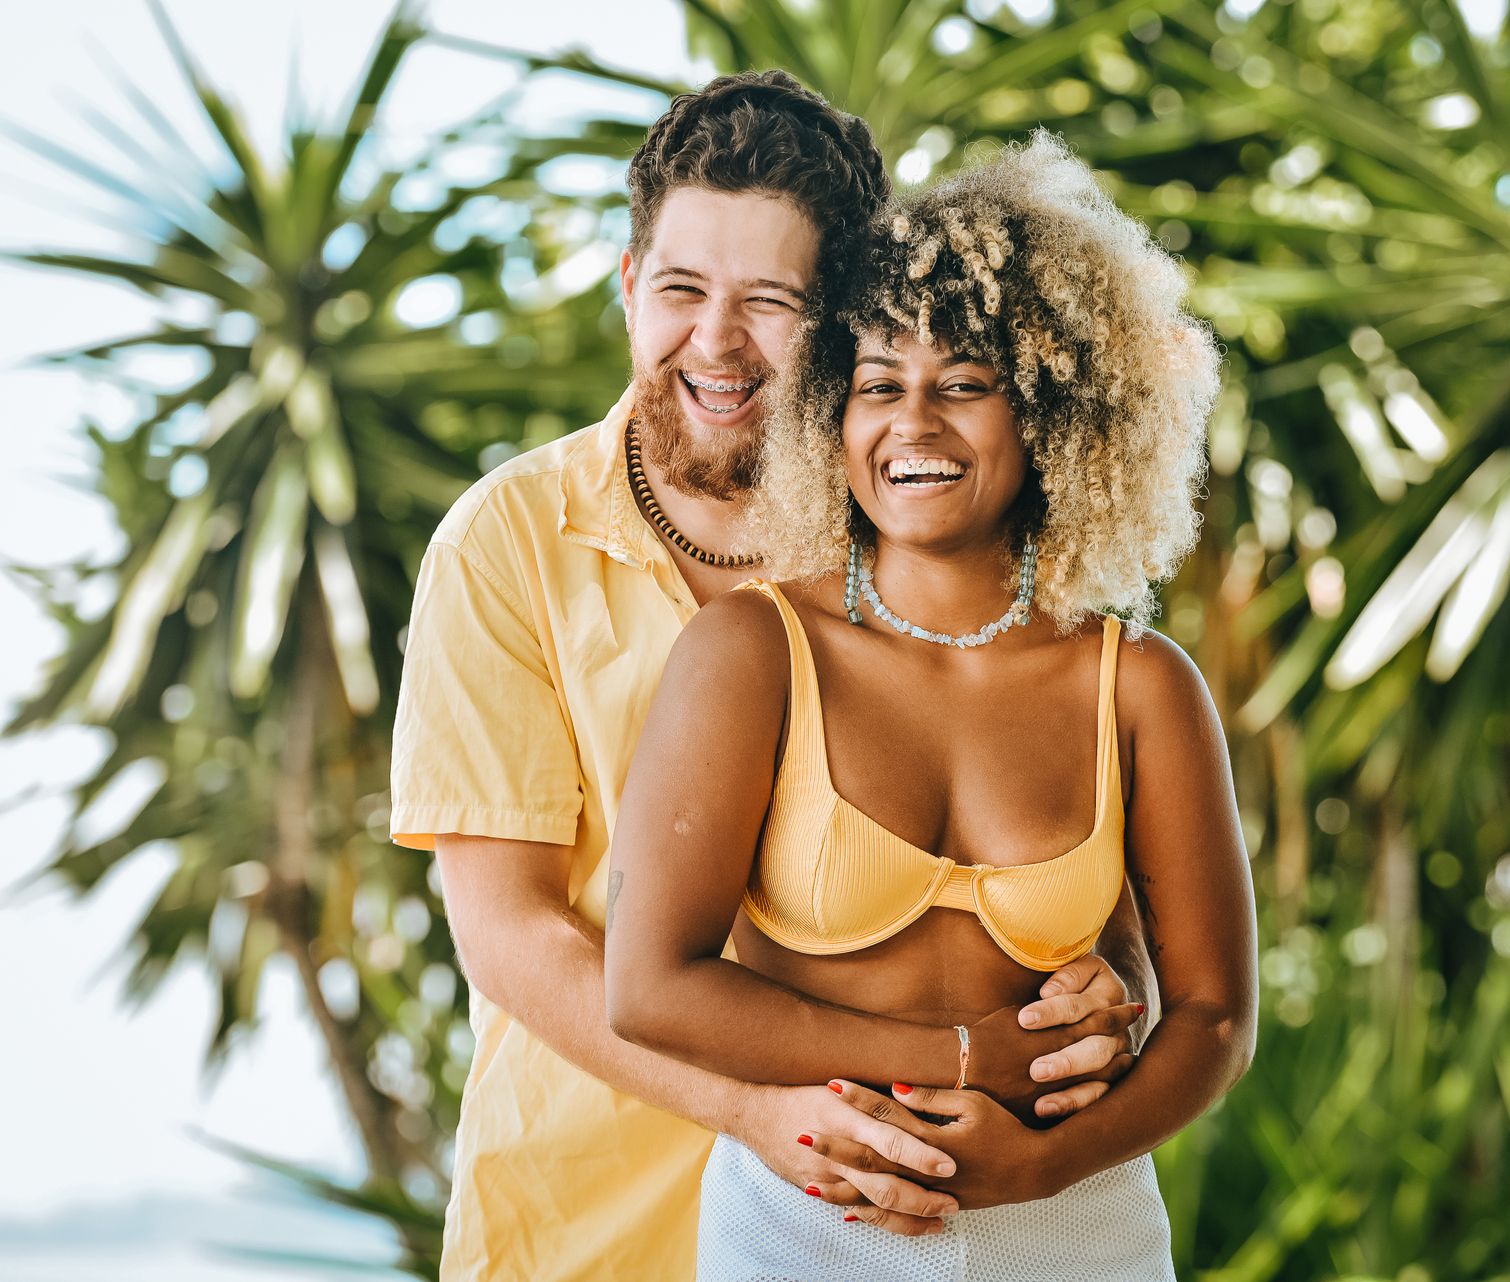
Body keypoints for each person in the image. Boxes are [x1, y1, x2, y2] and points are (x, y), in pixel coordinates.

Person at [389, 76, 1146, 1282]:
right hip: (582, 1234)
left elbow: (1081, 846)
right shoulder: (504, 542)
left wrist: (1113, 995)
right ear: (631, 285)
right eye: (682, 289)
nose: (716, 343)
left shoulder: (917, 534)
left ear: (846, 318)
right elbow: (509, 931)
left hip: (878, 1235)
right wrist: (750, 1109)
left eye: (771, 303)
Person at [603, 134, 1257, 1279]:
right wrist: (957, 1053)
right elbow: (649, 984)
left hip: (1079, 1225)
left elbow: (1212, 1018)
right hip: (812, 1221)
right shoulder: (758, 652)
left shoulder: (1141, 684)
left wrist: (1041, 1168)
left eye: (964, 385)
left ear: (1053, 414)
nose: (915, 424)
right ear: (828, 414)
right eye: (876, 385)